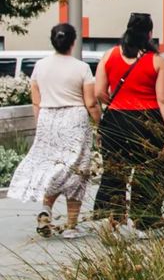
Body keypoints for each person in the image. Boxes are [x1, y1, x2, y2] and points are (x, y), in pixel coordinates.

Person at [7, 22, 98, 238]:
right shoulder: (81, 68)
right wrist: (99, 122)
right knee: (76, 171)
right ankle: (71, 225)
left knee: (52, 167)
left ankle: (46, 209)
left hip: (48, 118)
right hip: (74, 119)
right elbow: (91, 103)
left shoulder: (40, 66)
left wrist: (42, 123)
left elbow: (36, 100)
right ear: (73, 42)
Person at [93, 12, 164, 236]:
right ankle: (144, 220)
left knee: (115, 169)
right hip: (146, 121)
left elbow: (98, 92)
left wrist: (117, 102)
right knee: (149, 170)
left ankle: (114, 219)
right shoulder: (157, 61)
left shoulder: (109, 55)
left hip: (115, 121)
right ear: (150, 34)